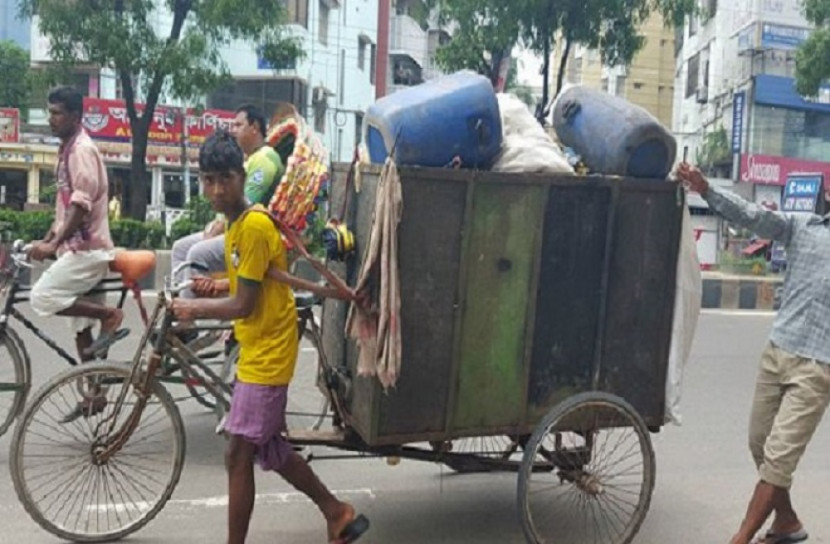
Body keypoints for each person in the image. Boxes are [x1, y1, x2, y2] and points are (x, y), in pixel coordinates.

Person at [171, 130, 369, 544]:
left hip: (269, 354)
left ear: (242, 177)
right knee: (271, 450)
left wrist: (192, 308)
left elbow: (244, 304)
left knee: (237, 453)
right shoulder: (238, 225)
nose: (217, 190)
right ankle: (337, 513)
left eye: (225, 178)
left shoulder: (254, 226)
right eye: (208, 180)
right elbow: (252, 280)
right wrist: (218, 284)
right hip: (256, 349)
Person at [676, 162, 830, 544]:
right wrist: (706, 189)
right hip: (778, 351)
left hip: (818, 365)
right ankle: (787, 522)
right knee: (759, 443)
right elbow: (754, 216)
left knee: (778, 459)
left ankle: (741, 538)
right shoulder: (804, 226)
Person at [29, 86, 127, 371]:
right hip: (78, 251)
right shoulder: (67, 149)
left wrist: (52, 244)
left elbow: (81, 206)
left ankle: (110, 315)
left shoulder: (81, 151)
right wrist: (48, 239)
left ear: (75, 116)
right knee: (81, 329)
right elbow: (64, 211)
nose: (51, 119)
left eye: (57, 113)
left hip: (88, 253)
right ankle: (94, 391)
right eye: (50, 112)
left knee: (41, 296)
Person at [171, 104, 284, 297]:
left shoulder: (265, 159)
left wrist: (215, 228)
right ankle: (178, 308)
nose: (233, 130)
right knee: (180, 248)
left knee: (197, 253)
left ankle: (187, 319)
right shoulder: (250, 159)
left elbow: (245, 201)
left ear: (254, 127)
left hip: (251, 232)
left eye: (238, 125)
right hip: (233, 227)